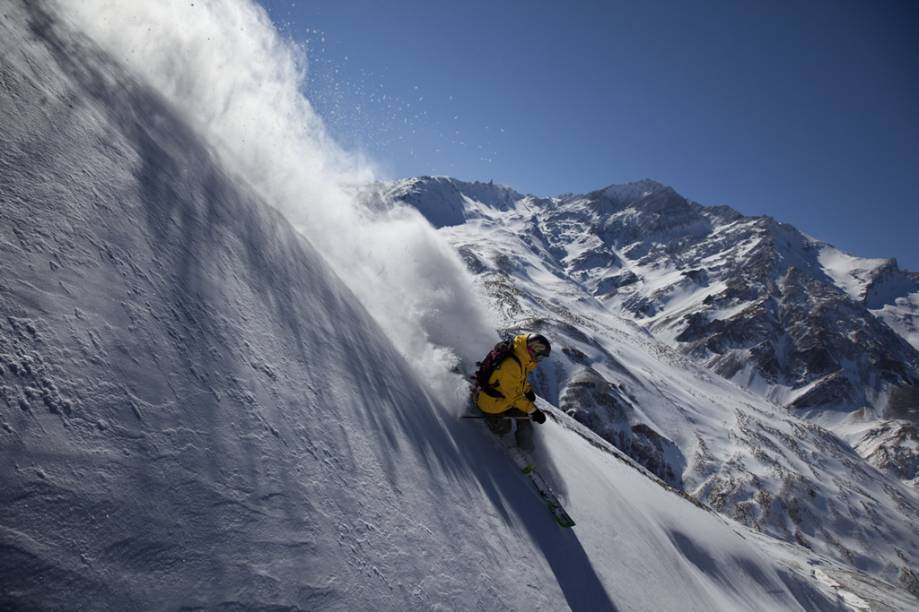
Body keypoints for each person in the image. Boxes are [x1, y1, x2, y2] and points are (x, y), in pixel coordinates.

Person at [474, 333, 551, 451]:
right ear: (532, 350)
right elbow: (515, 397)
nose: (539, 360)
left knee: (524, 417)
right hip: (491, 403)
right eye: (539, 356)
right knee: (504, 429)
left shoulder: (521, 357)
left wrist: (527, 390)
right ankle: (483, 410)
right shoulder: (512, 365)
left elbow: (519, 382)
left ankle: (526, 448)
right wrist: (535, 411)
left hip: (503, 398)